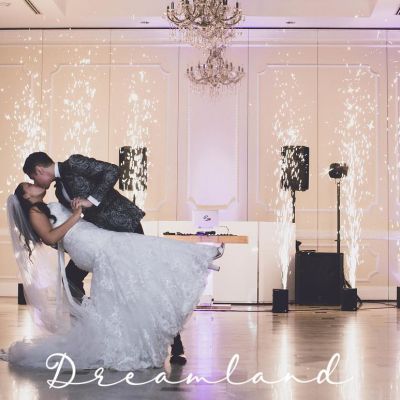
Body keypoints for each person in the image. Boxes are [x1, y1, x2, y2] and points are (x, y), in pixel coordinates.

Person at [2, 182, 223, 370]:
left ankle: (201, 257)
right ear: (26, 196)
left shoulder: (47, 205)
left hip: (93, 237)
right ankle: (201, 255)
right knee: (142, 247)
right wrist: (76, 216)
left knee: (138, 265)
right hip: (88, 244)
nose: (34, 184)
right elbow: (50, 238)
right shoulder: (34, 212)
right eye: (29, 185)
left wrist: (77, 211)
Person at [22, 151, 187, 365]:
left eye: (33, 178)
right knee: (70, 279)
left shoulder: (74, 163)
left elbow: (112, 170)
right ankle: (89, 334)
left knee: (144, 282)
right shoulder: (58, 190)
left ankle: (175, 342)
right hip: (101, 241)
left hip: (124, 226)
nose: (35, 183)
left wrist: (91, 200)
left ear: (39, 170)